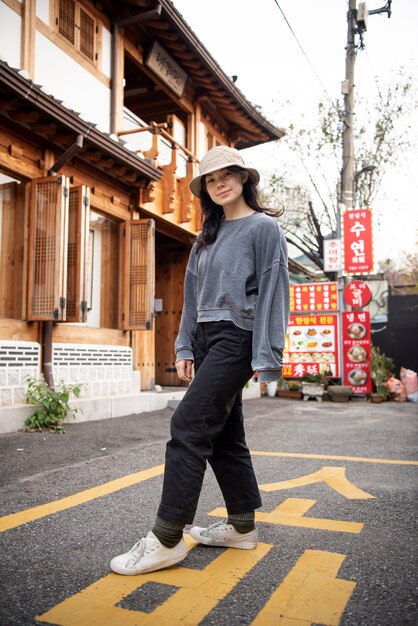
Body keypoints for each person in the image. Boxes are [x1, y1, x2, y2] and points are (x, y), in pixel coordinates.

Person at [110, 145, 290, 576]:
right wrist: (185, 346)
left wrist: (268, 355)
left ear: (245, 178)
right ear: (206, 190)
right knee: (225, 434)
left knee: (188, 425)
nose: (219, 183)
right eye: (210, 180)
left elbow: (274, 292)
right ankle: (242, 526)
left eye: (227, 175)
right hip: (208, 339)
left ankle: (168, 537)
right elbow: (191, 299)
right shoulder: (204, 238)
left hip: (238, 337)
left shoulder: (264, 229)